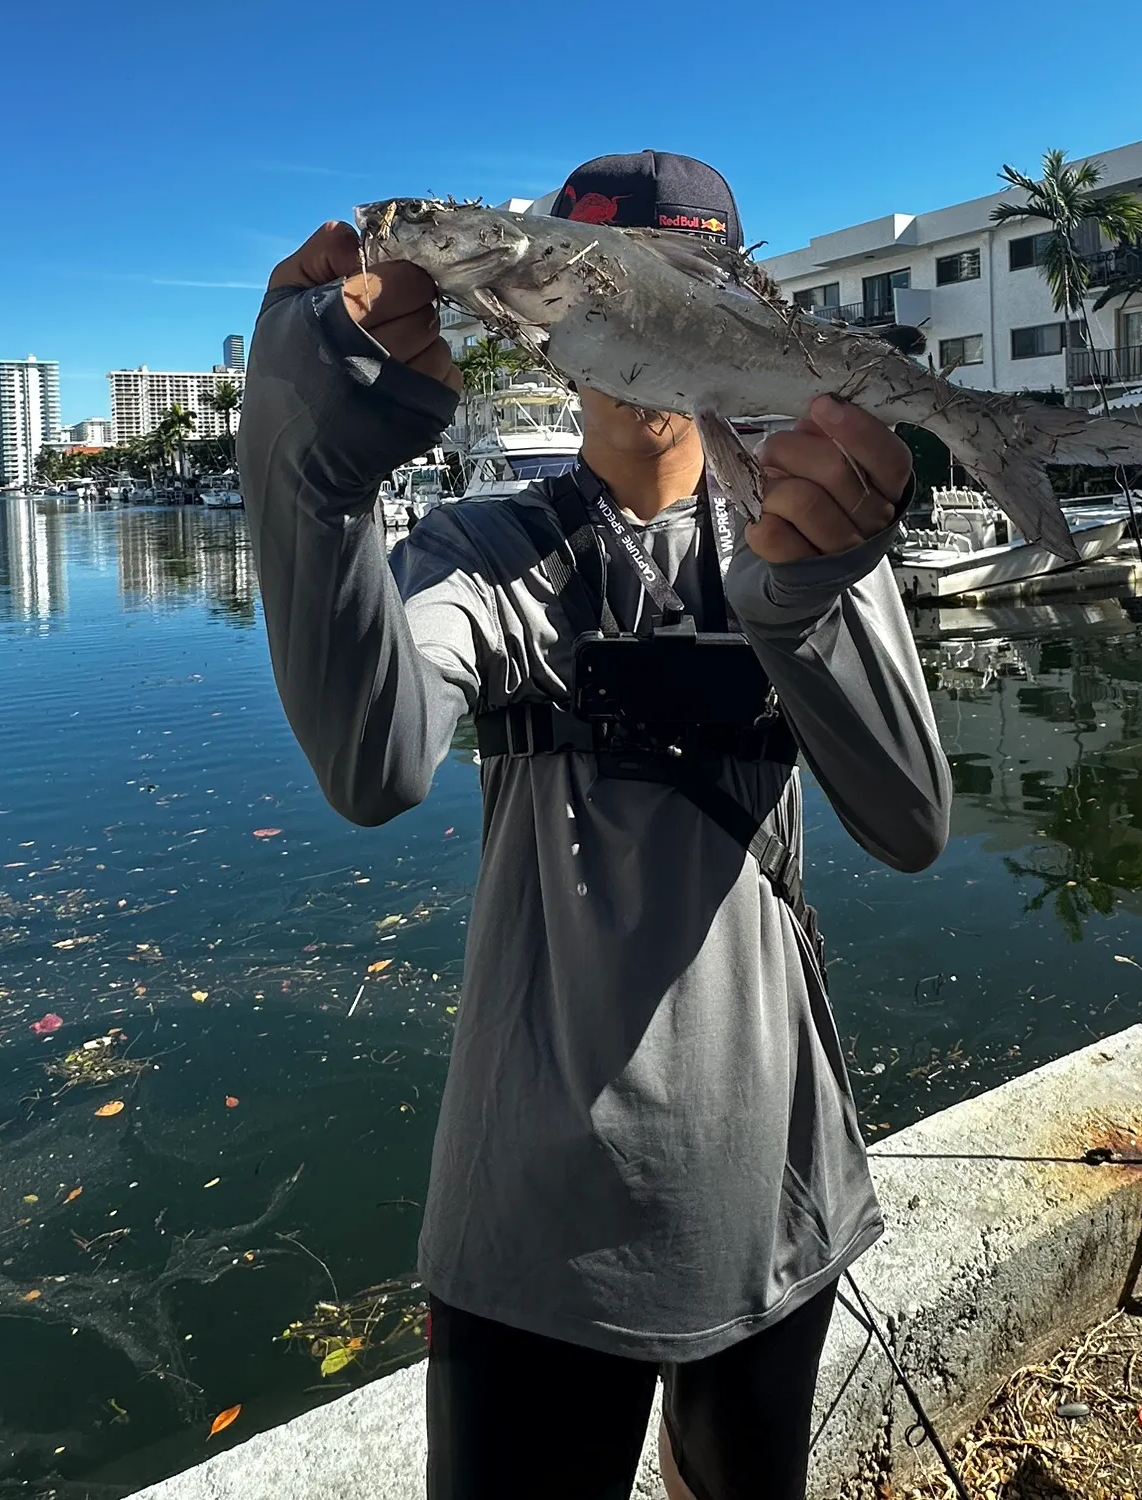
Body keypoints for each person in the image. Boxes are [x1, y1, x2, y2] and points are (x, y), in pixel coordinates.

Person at [238, 150, 951, 1500]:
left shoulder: (813, 532)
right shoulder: (487, 552)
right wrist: (308, 480)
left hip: (777, 1196)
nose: (633, 327)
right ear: (541, 322)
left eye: (682, 290)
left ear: (743, 318)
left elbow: (910, 820)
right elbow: (371, 762)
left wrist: (799, 606)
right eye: (593, 285)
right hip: (535, 1232)